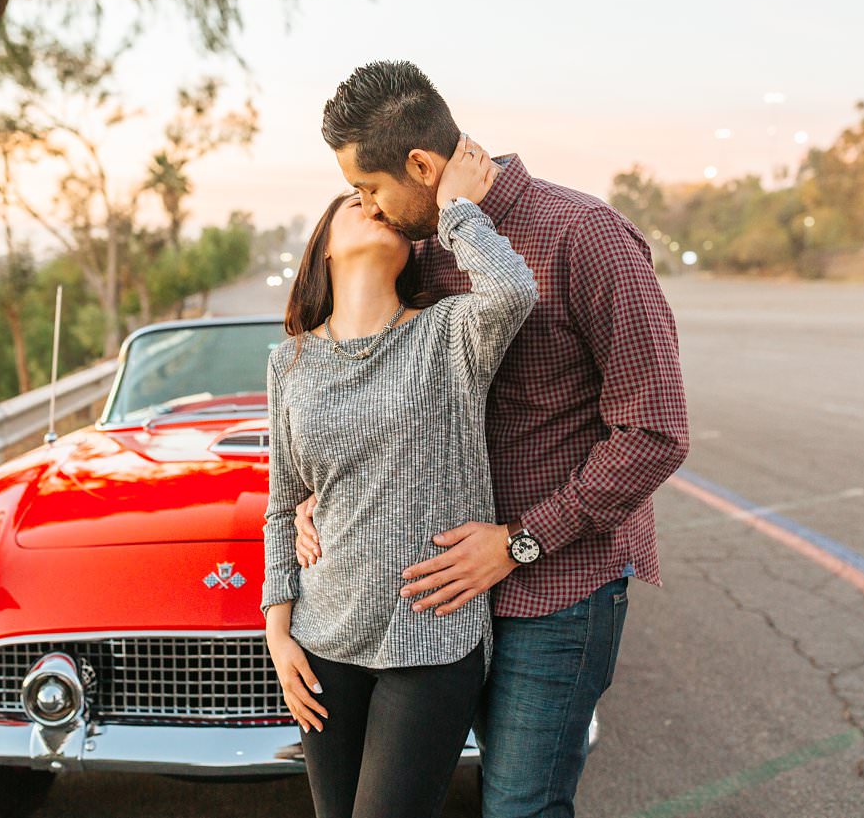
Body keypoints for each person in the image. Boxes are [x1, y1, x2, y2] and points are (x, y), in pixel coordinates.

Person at [294, 61, 690, 818]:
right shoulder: (421, 252)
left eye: (371, 187)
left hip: (555, 590)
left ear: (420, 165)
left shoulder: (585, 236)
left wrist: (519, 541)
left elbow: (655, 431)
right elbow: (375, 389)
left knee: (519, 805)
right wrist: (318, 496)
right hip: (444, 604)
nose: (367, 207)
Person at [263, 135, 535, 818]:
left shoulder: (447, 333)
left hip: (433, 636)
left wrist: (455, 210)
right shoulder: (288, 362)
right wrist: (277, 630)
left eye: (376, 197)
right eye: (352, 202)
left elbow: (511, 290)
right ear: (324, 246)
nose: (371, 206)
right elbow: (281, 505)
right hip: (324, 639)